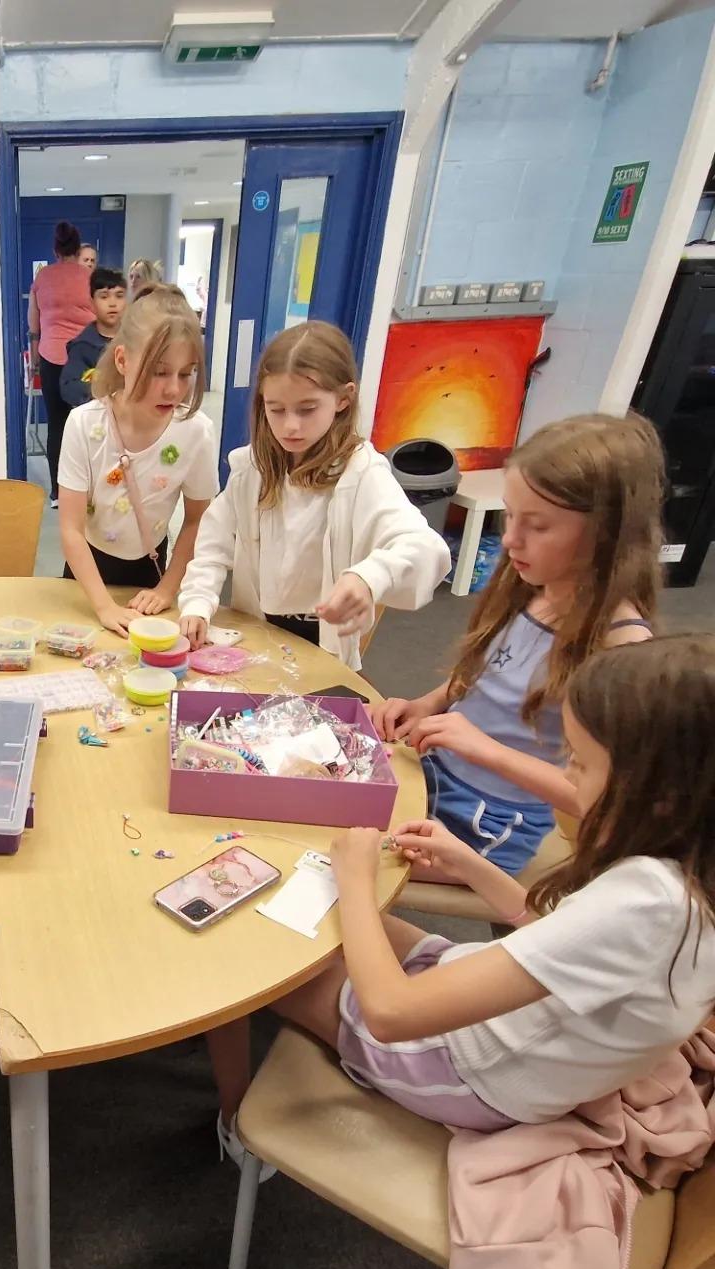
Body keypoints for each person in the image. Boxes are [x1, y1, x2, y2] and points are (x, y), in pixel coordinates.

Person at [273, 635, 715, 1140]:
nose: (564, 776)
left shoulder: (647, 902)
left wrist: (354, 880)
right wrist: (469, 865)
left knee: (276, 963)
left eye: (581, 763)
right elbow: (561, 935)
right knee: (322, 921)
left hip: (459, 1073)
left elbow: (391, 1015)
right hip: (496, 1020)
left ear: (661, 794)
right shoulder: (683, 871)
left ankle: (235, 1113)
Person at [370, 412, 663, 878]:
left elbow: (605, 802)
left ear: (607, 532)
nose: (509, 539)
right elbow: (491, 669)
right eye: (510, 516)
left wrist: (482, 748)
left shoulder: (622, 649)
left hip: (489, 825)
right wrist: (429, 703)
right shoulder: (535, 586)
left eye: (538, 526)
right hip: (436, 773)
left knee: (346, 863)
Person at [178, 321, 450, 670]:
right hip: (256, 632)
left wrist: (368, 577)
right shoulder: (253, 468)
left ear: (343, 399)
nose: (290, 425)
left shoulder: (362, 473)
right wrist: (198, 602)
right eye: (276, 410)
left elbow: (427, 548)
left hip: (322, 643)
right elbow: (213, 545)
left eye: (307, 410)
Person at [57, 283, 216, 637]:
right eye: (159, 372)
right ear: (122, 360)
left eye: (186, 373)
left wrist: (167, 588)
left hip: (153, 570)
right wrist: (102, 606)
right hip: (88, 571)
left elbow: (196, 523)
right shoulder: (84, 423)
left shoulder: (196, 431)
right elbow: (70, 528)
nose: (174, 389)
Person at [28, 221, 96, 505]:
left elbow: (34, 323)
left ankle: (58, 493)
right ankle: (88, 490)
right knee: (91, 425)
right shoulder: (90, 277)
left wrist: (33, 360)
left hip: (51, 356)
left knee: (57, 425)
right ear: (77, 248)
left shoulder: (42, 278)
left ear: (56, 249)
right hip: (87, 359)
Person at [59, 265, 126, 409]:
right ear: (92, 302)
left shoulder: (136, 341)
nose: (113, 303)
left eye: (119, 296)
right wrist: (104, 389)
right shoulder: (82, 346)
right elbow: (69, 387)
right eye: (104, 296)